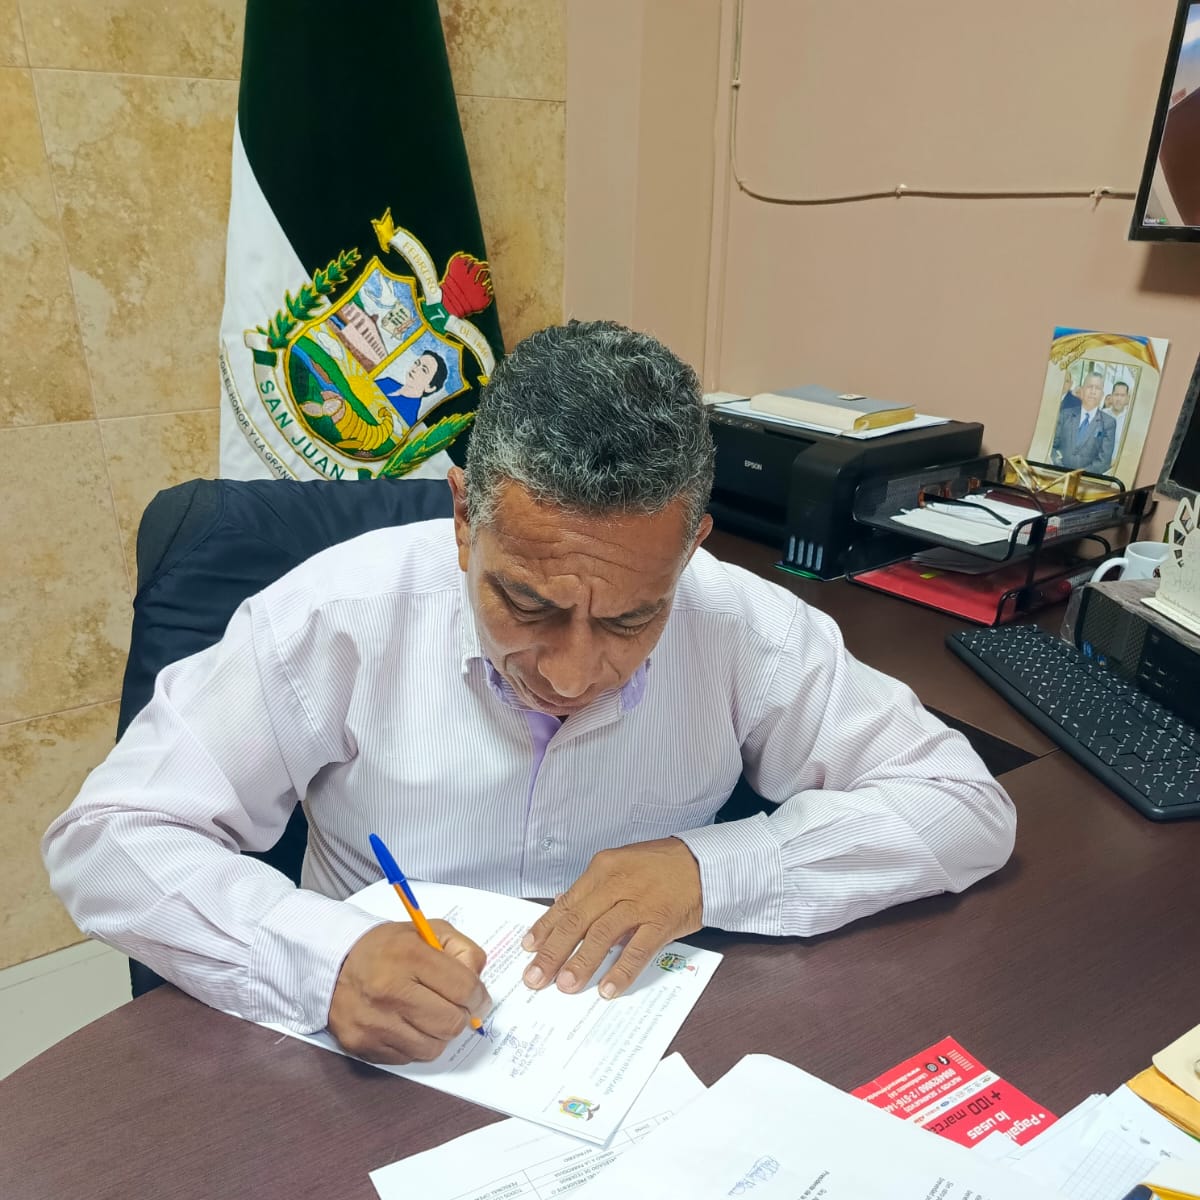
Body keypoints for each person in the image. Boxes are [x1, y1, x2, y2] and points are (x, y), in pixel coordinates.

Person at [43, 321, 1016, 1068]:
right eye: (526, 604)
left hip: (634, 1050)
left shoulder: (740, 624)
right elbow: (109, 838)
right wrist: (322, 960)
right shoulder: (338, 613)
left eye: (632, 619)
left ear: (691, 548)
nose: (571, 674)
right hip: (373, 1058)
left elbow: (963, 806)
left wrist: (712, 870)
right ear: (465, 519)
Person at [1051, 371, 1116, 473]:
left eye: (1097, 388)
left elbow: (1104, 461)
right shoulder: (1065, 415)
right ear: (1082, 390)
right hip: (1058, 474)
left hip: (1087, 479)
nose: (1093, 391)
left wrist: (1078, 475)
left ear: (1102, 394)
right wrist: (1059, 467)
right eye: (1090, 387)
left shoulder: (1108, 423)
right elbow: (1052, 446)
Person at [377, 349, 449, 429]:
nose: (415, 369)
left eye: (424, 370)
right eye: (417, 363)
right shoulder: (387, 382)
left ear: (430, 388)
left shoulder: (408, 416)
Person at [1104, 380, 1132, 462]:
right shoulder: (1101, 415)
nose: (1119, 399)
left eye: (1122, 395)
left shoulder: (1130, 419)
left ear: (1127, 398)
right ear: (1111, 396)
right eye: (1116, 395)